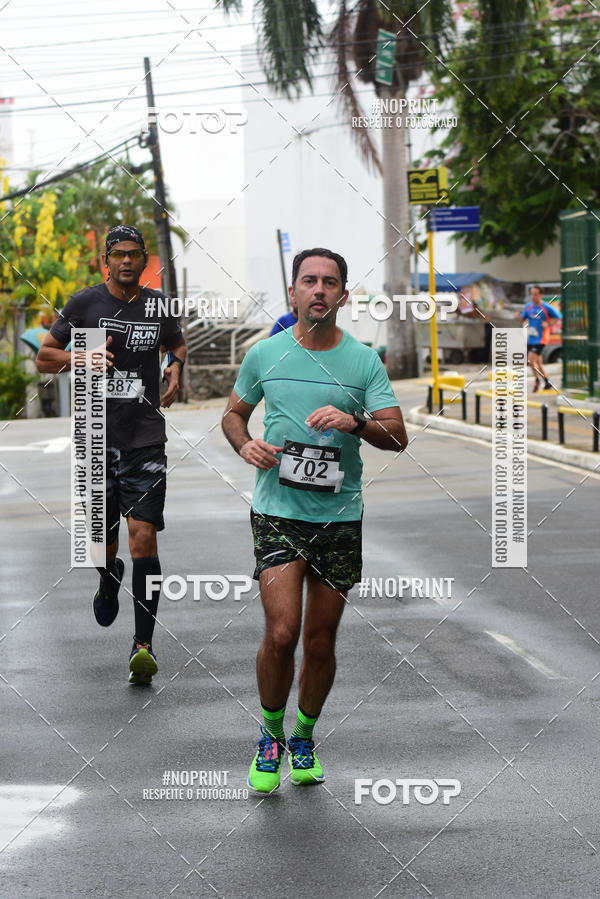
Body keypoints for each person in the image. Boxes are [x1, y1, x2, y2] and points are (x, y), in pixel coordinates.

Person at [221, 248, 408, 793]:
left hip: (338, 516)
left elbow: (397, 436)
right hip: (277, 511)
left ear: (343, 296)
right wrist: (245, 445)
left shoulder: (363, 362)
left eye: (329, 282)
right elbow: (233, 414)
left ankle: (303, 735)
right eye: (309, 280)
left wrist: (355, 423)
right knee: (282, 633)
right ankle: (270, 734)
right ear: (293, 292)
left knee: (320, 642)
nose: (318, 289)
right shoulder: (265, 354)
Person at [36, 224, 186, 684]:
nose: (125, 261)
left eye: (133, 254)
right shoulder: (84, 304)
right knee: (102, 543)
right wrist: (81, 358)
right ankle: (107, 576)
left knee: (144, 537)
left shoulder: (158, 305)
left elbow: (176, 342)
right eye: (118, 254)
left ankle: (143, 646)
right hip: (96, 437)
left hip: (145, 437)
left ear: (143, 260)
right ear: (106, 260)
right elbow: (44, 357)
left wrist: (175, 366)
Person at [517, 285, 561, 392]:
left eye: (535, 294)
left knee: (530, 361)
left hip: (541, 339)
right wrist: (518, 316)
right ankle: (547, 382)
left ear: (541, 295)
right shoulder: (529, 306)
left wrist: (548, 324)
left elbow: (558, 316)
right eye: (532, 294)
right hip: (531, 338)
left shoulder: (546, 307)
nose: (533, 297)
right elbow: (523, 319)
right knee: (538, 363)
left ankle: (537, 380)